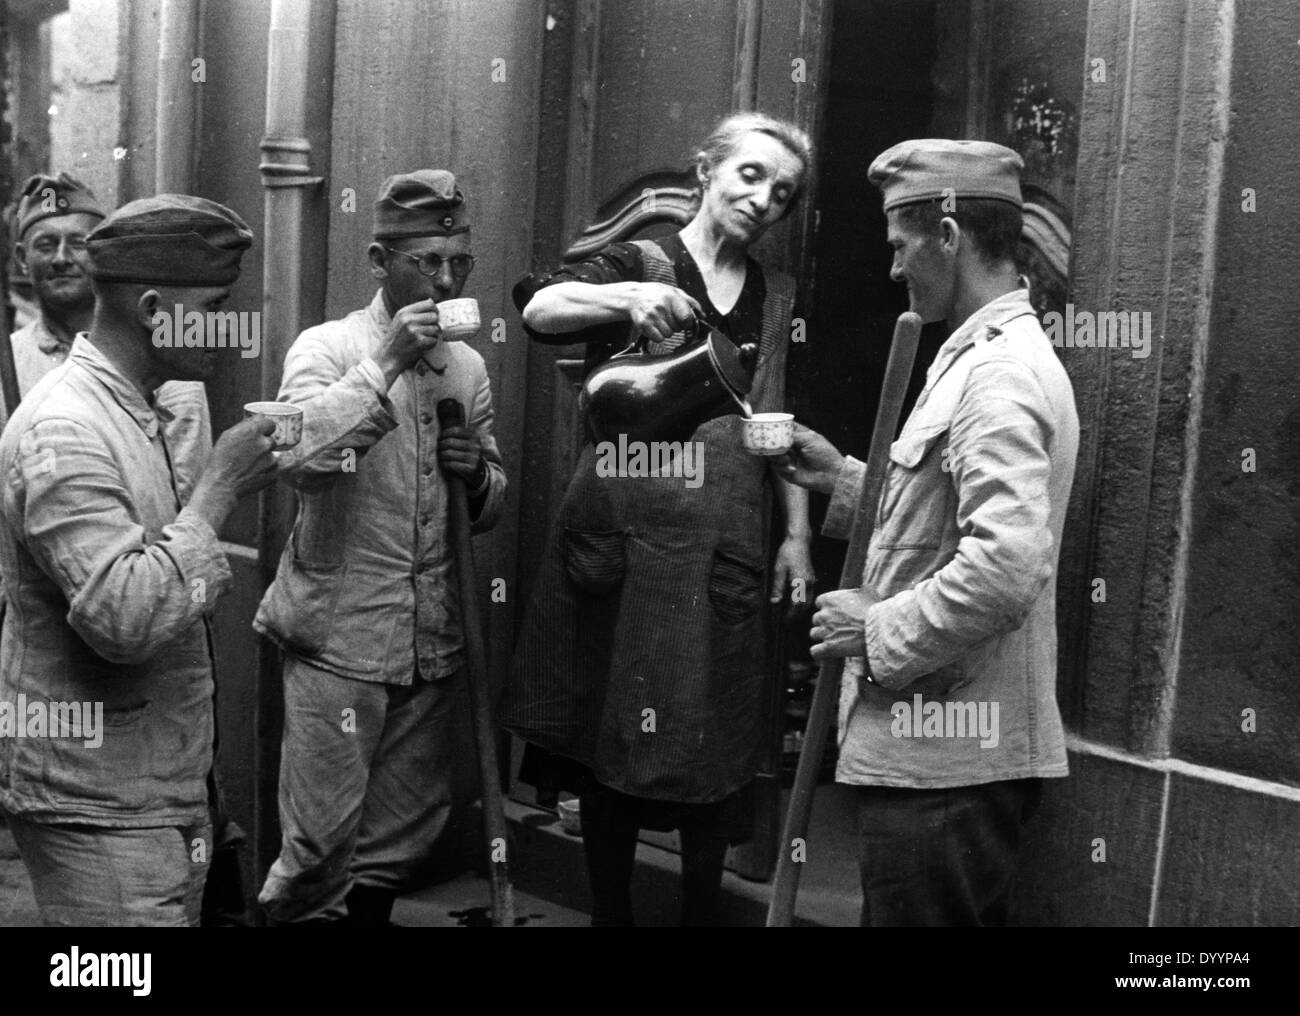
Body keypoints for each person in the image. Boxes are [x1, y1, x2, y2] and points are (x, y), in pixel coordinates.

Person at [499, 111, 816, 926]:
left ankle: (698, 918)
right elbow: (539, 309)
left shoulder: (775, 298)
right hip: (622, 548)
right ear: (706, 171)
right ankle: (613, 919)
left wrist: (796, 535)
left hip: (723, 549)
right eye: (749, 175)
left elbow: (773, 421)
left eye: (781, 192)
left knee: (716, 746)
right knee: (609, 745)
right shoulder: (640, 261)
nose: (763, 199)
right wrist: (630, 295)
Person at [776, 139, 1079, 926]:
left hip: (950, 767)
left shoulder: (998, 375)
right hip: (938, 754)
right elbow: (939, 519)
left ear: (947, 236)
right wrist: (844, 483)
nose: (893, 267)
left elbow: (1004, 566)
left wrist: (875, 627)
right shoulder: (979, 354)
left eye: (900, 243)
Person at [0, 194, 280, 926]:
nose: (232, 328)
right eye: (216, 306)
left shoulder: (133, 403)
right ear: (156, 307)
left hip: (143, 787)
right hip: (96, 801)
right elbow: (121, 619)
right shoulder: (67, 428)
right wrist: (218, 488)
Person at [255, 169, 508, 926]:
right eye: (424, 261)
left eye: (457, 262)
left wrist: (478, 479)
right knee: (319, 846)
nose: (443, 277)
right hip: (340, 637)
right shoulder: (328, 348)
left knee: (398, 838)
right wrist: (387, 362)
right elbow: (296, 462)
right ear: (378, 260)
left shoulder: (467, 366)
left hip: (429, 643)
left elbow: (491, 494)